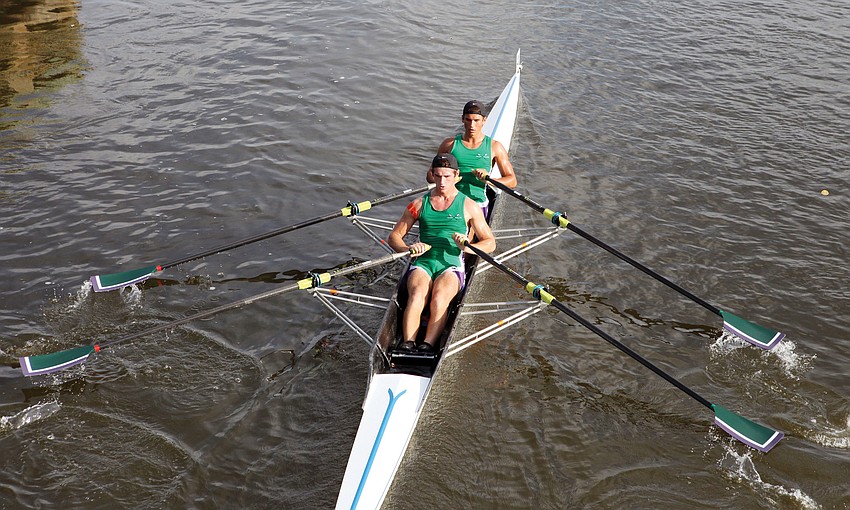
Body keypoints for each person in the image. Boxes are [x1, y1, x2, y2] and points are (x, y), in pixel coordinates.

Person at [389, 153, 496, 353]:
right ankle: (407, 343)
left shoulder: (469, 206)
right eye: (437, 176)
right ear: (432, 175)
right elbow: (394, 236)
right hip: (423, 262)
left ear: (457, 176)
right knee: (417, 293)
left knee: (439, 298)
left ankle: (428, 345)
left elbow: (490, 243)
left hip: (451, 263)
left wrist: (467, 247)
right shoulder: (419, 204)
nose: (442, 182)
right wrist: (408, 249)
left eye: (447, 177)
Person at [430, 100, 518, 219]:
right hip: (449, 199)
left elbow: (512, 181)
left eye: (476, 120)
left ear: (484, 120)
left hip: (476, 202)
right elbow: (430, 176)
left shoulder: (495, 147)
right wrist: (446, 179)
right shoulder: (449, 144)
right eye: (468, 120)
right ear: (462, 119)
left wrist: (489, 180)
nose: (472, 125)